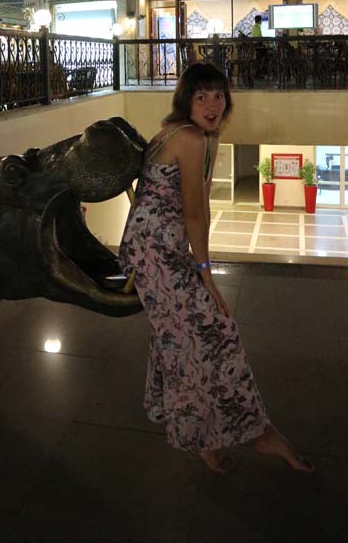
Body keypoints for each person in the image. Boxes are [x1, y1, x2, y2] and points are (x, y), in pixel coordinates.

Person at [118, 63, 314, 474]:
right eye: (201, 96)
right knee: (213, 331)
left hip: (161, 246)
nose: (212, 105)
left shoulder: (202, 137)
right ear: (186, 101)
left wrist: (198, 262)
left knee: (181, 337)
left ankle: (208, 437)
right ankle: (256, 434)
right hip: (154, 251)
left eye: (219, 95)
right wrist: (205, 272)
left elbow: (201, 203)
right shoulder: (188, 138)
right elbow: (193, 213)